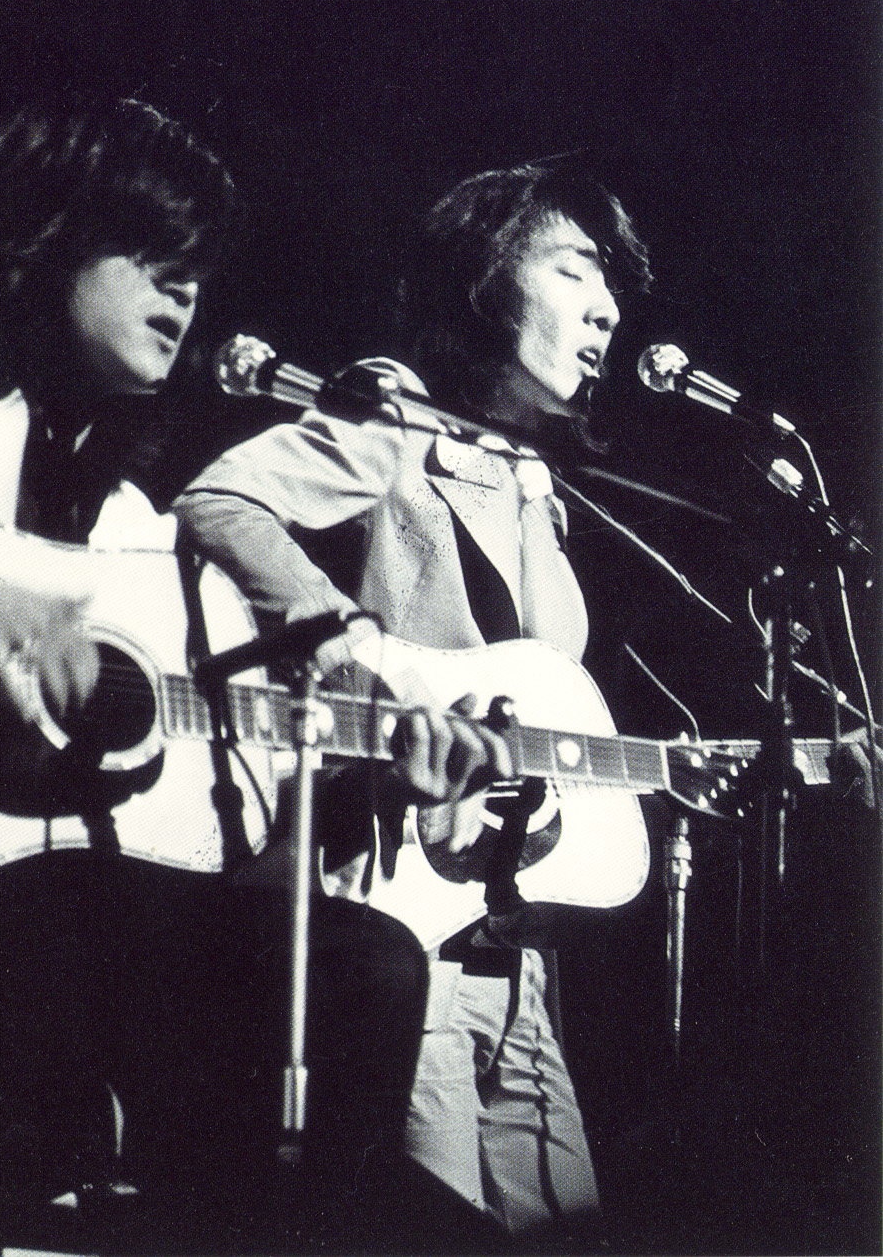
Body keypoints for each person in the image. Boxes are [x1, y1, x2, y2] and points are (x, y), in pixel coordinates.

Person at [0, 90, 457, 1253]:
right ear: (44, 235)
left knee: (356, 967)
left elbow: (209, 801)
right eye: (150, 253)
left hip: (25, 921)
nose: (184, 293)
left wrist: (373, 777)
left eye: (197, 270)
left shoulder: (128, 532)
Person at [175, 155, 655, 1245]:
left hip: (510, 952)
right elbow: (221, 500)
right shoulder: (394, 415)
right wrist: (350, 648)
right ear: (486, 277)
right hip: (390, 920)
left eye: (612, 284)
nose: (607, 308)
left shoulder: (537, 483)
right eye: (575, 268)